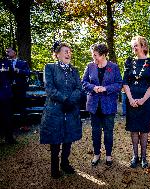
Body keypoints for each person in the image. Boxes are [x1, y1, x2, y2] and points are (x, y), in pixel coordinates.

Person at [40, 41, 83, 179]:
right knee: (55, 138)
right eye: (65, 51)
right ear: (57, 54)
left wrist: (71, 100)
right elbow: (49, 88)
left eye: (70, 51)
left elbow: (79, 88)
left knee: (68, 137)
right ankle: (54, 167)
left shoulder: (74, 70)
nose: (68, 53)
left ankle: (65, 163)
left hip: (71, 109)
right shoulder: (49, 68)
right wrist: (64, 99)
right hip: (54, 110)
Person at [82, 43, 122, 167]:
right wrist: (93, 87)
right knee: (95, 131)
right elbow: (83, 82)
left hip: (108, 105)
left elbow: (119, 84)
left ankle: (108, 155)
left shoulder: (113, 67)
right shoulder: (90, 66)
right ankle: (96, 154)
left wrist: (105, 88)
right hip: (94, 105)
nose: (94, 58)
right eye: (92, 55)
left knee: (109, 131)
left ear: (103, 55)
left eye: (96, 55)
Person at [123, 35, 150, 168]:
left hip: (146, 100)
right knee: (133, 129)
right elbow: (125, 82)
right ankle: (135, 156)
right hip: (131, 100)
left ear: (143, 46)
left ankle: (144, 158)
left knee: (144, 129)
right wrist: (130, 99)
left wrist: (143, 99)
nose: (134, 47)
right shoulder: (129, 61)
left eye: (136, 45)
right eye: (133, 45)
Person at [6, 47, 30, 131]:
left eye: (9, 51)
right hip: (8, 89)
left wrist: (19, 70)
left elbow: (28, 73)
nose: (7, 53)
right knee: (8, 107)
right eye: (6, 52)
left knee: (22, 107)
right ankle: (9, 127)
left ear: (14, 52)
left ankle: (24, 125)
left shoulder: (23, 63)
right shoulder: (4, 63)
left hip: (20, 88)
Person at [0, 56, 16, 144]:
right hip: (4, 92)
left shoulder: (5, 62)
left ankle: (9, 138)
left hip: (5, 93)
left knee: (7, 116)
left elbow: (12, 74)